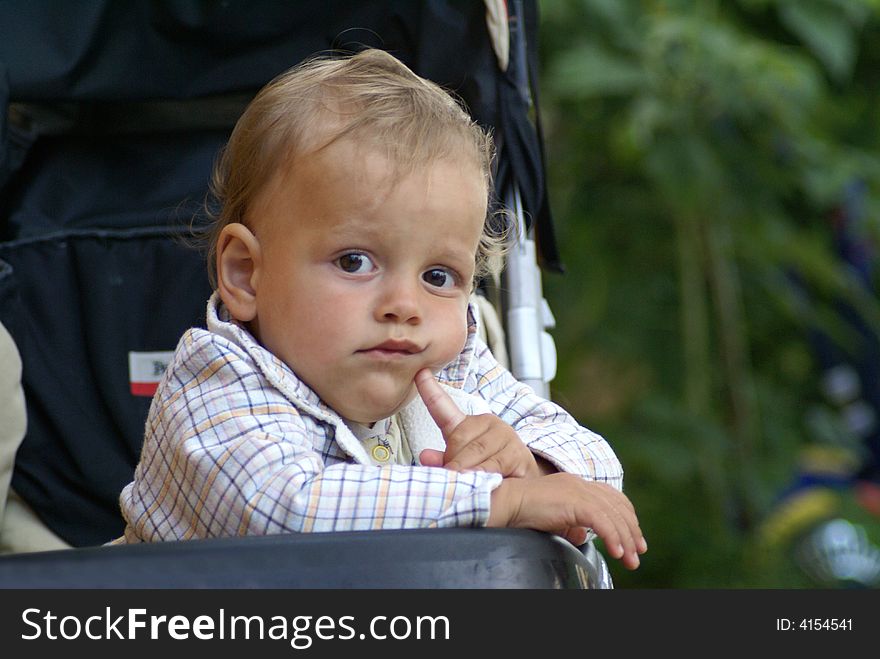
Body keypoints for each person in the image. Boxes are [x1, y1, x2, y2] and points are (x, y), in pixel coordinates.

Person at [116, 48, 647, 570]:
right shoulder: (216, 383)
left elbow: (596, 469)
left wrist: (531, 468)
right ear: (245, 274)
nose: (404, 306)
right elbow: (286, 511)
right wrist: (499, 502)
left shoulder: (448, 368)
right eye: (354, 262)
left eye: (438, 277)